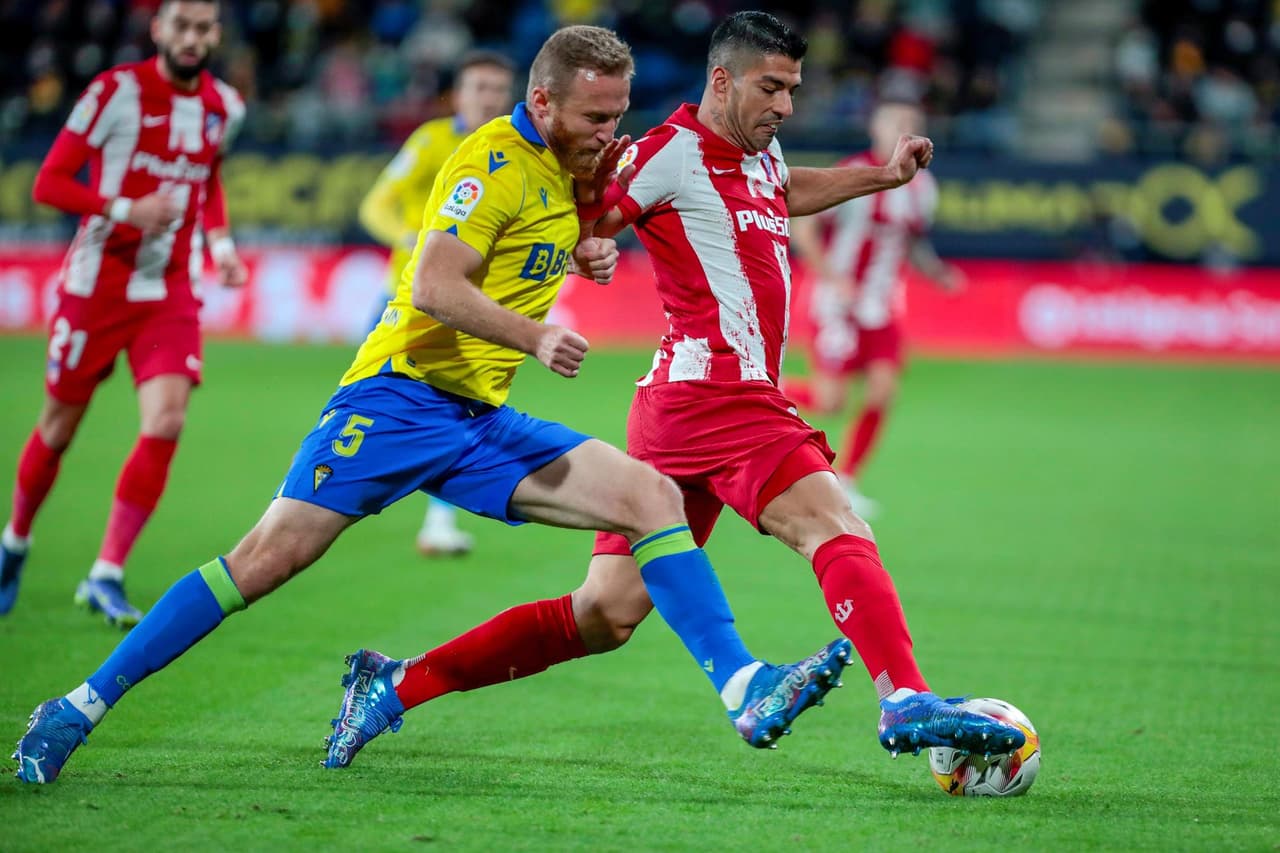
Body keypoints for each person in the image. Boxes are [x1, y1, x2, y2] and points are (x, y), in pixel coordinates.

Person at [14, 25, 852, 786]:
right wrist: (533, 335)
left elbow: (666, 202)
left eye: (618, 113)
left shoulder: (580, 163)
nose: (610, 133)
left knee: (650, 496)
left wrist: (592, 244)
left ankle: (743, 683)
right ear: (542, 102)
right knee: (261, 563)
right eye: (596, 116)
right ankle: (77, 706)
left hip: (476, 420)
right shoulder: (491, 163)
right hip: (395, 402)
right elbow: (434, 284)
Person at [328, 12, 1024, 771]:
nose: (785, 105)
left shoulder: (761, 154)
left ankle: (394, 684)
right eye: (771, 87)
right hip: (717, 392)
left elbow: (786, 191)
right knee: (833, 523)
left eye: (792, 89)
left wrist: (881, 176)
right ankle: (905, 697)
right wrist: (592, 241)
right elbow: (597, 212)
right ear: (721, 81)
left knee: (603, 613)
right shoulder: (668, 149)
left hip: (678, 410)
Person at [0, 0, 246, 628]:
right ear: (159, 29)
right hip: (98, 287)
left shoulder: (224, 106)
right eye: (182, 26)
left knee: (166, 421)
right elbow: (49, 182)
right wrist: (124, 209)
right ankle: (15, 542)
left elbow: (207, 177)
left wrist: (219, 246)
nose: (193, 38)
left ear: (215, 35)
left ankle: (105, 573)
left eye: (204, 28)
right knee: (58, 427)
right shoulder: (115, 92)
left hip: (168, 292)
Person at [358, 50, 517, 558]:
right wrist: (407, 234)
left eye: (497, 89)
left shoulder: (516, 152)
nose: (489, 98)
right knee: (379, 404)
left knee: (459, 408)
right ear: (459, 95)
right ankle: (339, 487)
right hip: (411, 297)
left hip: (472, 302)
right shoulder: (431, 141)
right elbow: (376, 203)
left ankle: (437, 520)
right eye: (479, 88)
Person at [785, 99, 964, 518]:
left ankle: (846, 479)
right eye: (896, 123)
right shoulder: (850, 175)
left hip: (881, 307)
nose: (905, 130)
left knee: (885, 389)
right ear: (876, 130)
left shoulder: (923, 188)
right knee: (830, 401)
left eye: (912, 124)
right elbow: (804, 227)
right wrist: (832, 277)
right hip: (837, 305)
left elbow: (913, 242)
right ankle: (765, 389)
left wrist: (937, 273)